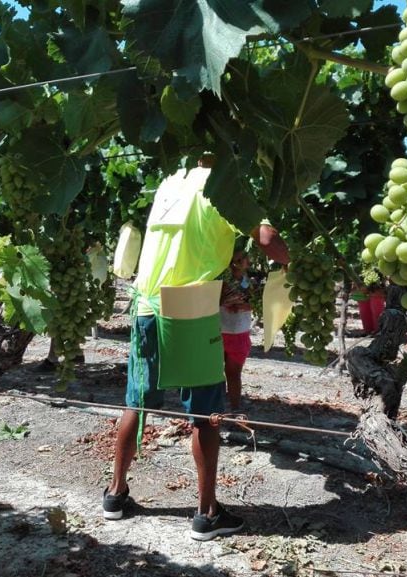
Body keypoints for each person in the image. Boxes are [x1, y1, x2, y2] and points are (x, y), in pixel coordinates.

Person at [102, 155, 289, 542]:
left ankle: (115, 495)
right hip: (189, 308)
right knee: (206, 414)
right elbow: (268, 239)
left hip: (145, 305)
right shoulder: (227, 182)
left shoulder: (172, 180)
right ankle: (206, 515)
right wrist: (298, 263)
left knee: (136, 403)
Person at [219, 248, 254, 411]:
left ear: (248, 262)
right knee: (215, 373)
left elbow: (259, 304)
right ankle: (216, 406)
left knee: (233, 374)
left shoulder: (253, 282)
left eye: (241, 261)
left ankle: (235, 408)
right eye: (235, 261)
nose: (237, 265)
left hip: (239, 332)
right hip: (219, 330)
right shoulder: (221, 279)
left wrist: (243, 305)